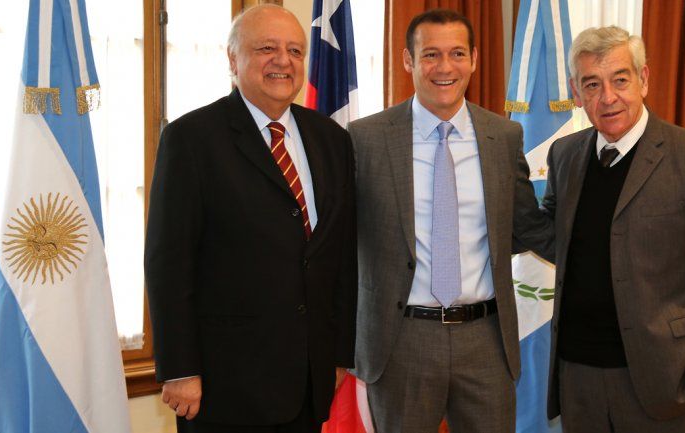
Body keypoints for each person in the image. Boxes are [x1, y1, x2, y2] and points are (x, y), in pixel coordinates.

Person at [144, 5, 357, 433]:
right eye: (266, 48)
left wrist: (338, 355)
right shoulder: (191, 139)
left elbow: (342, 256)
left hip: (309, 380)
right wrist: (180, 369)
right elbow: (169, 263)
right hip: (225, 384)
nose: (283, 61)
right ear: (233, 58)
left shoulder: (331, 139)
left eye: (295, 51)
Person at [348, 9, 553, 433]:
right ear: (408, 60)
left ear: (474, 59)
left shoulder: (503, 137)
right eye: (431, 54)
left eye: (457, 53)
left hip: (486, 340)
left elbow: (526, 227)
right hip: (401, 340)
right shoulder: (365, 138)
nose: (445, 67)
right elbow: (341, 238)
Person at [542, 26, 685, 432]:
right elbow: (548, 232)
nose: (607, 97)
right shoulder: (564, 155)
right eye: (592, 84)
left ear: (644, 80)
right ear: (576, 92)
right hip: (578, 380)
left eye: (620, 80)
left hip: (668, 383)